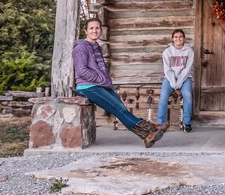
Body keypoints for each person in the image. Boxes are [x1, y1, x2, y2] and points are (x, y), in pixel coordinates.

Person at [73, 18, 164, 147]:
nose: (95, 30)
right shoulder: (81, 47)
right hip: (87, 86)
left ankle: (149, 133)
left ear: (101, 30)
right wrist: (102, 79)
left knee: (120, 108)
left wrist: (104, 81)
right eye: (91, 28)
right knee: (117, 108)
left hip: (99, 85)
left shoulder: (96, 47)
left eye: (97, 28)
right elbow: (81, 71)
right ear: (85, 30)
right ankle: (149, 130)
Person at [157, 29, 195, 132]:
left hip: (185, 78)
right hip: (169, 78)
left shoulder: (189, 51)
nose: (178, 39)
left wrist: (179, 82)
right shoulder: (167, 51)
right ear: (173, 39)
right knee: (163, 96)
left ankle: (186, 123)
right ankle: (161, 123)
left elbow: (187, 69)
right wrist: (173, 83)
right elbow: (167, 70)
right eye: (176, 37)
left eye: (180, 37)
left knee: (187, 94)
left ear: (184, 38)